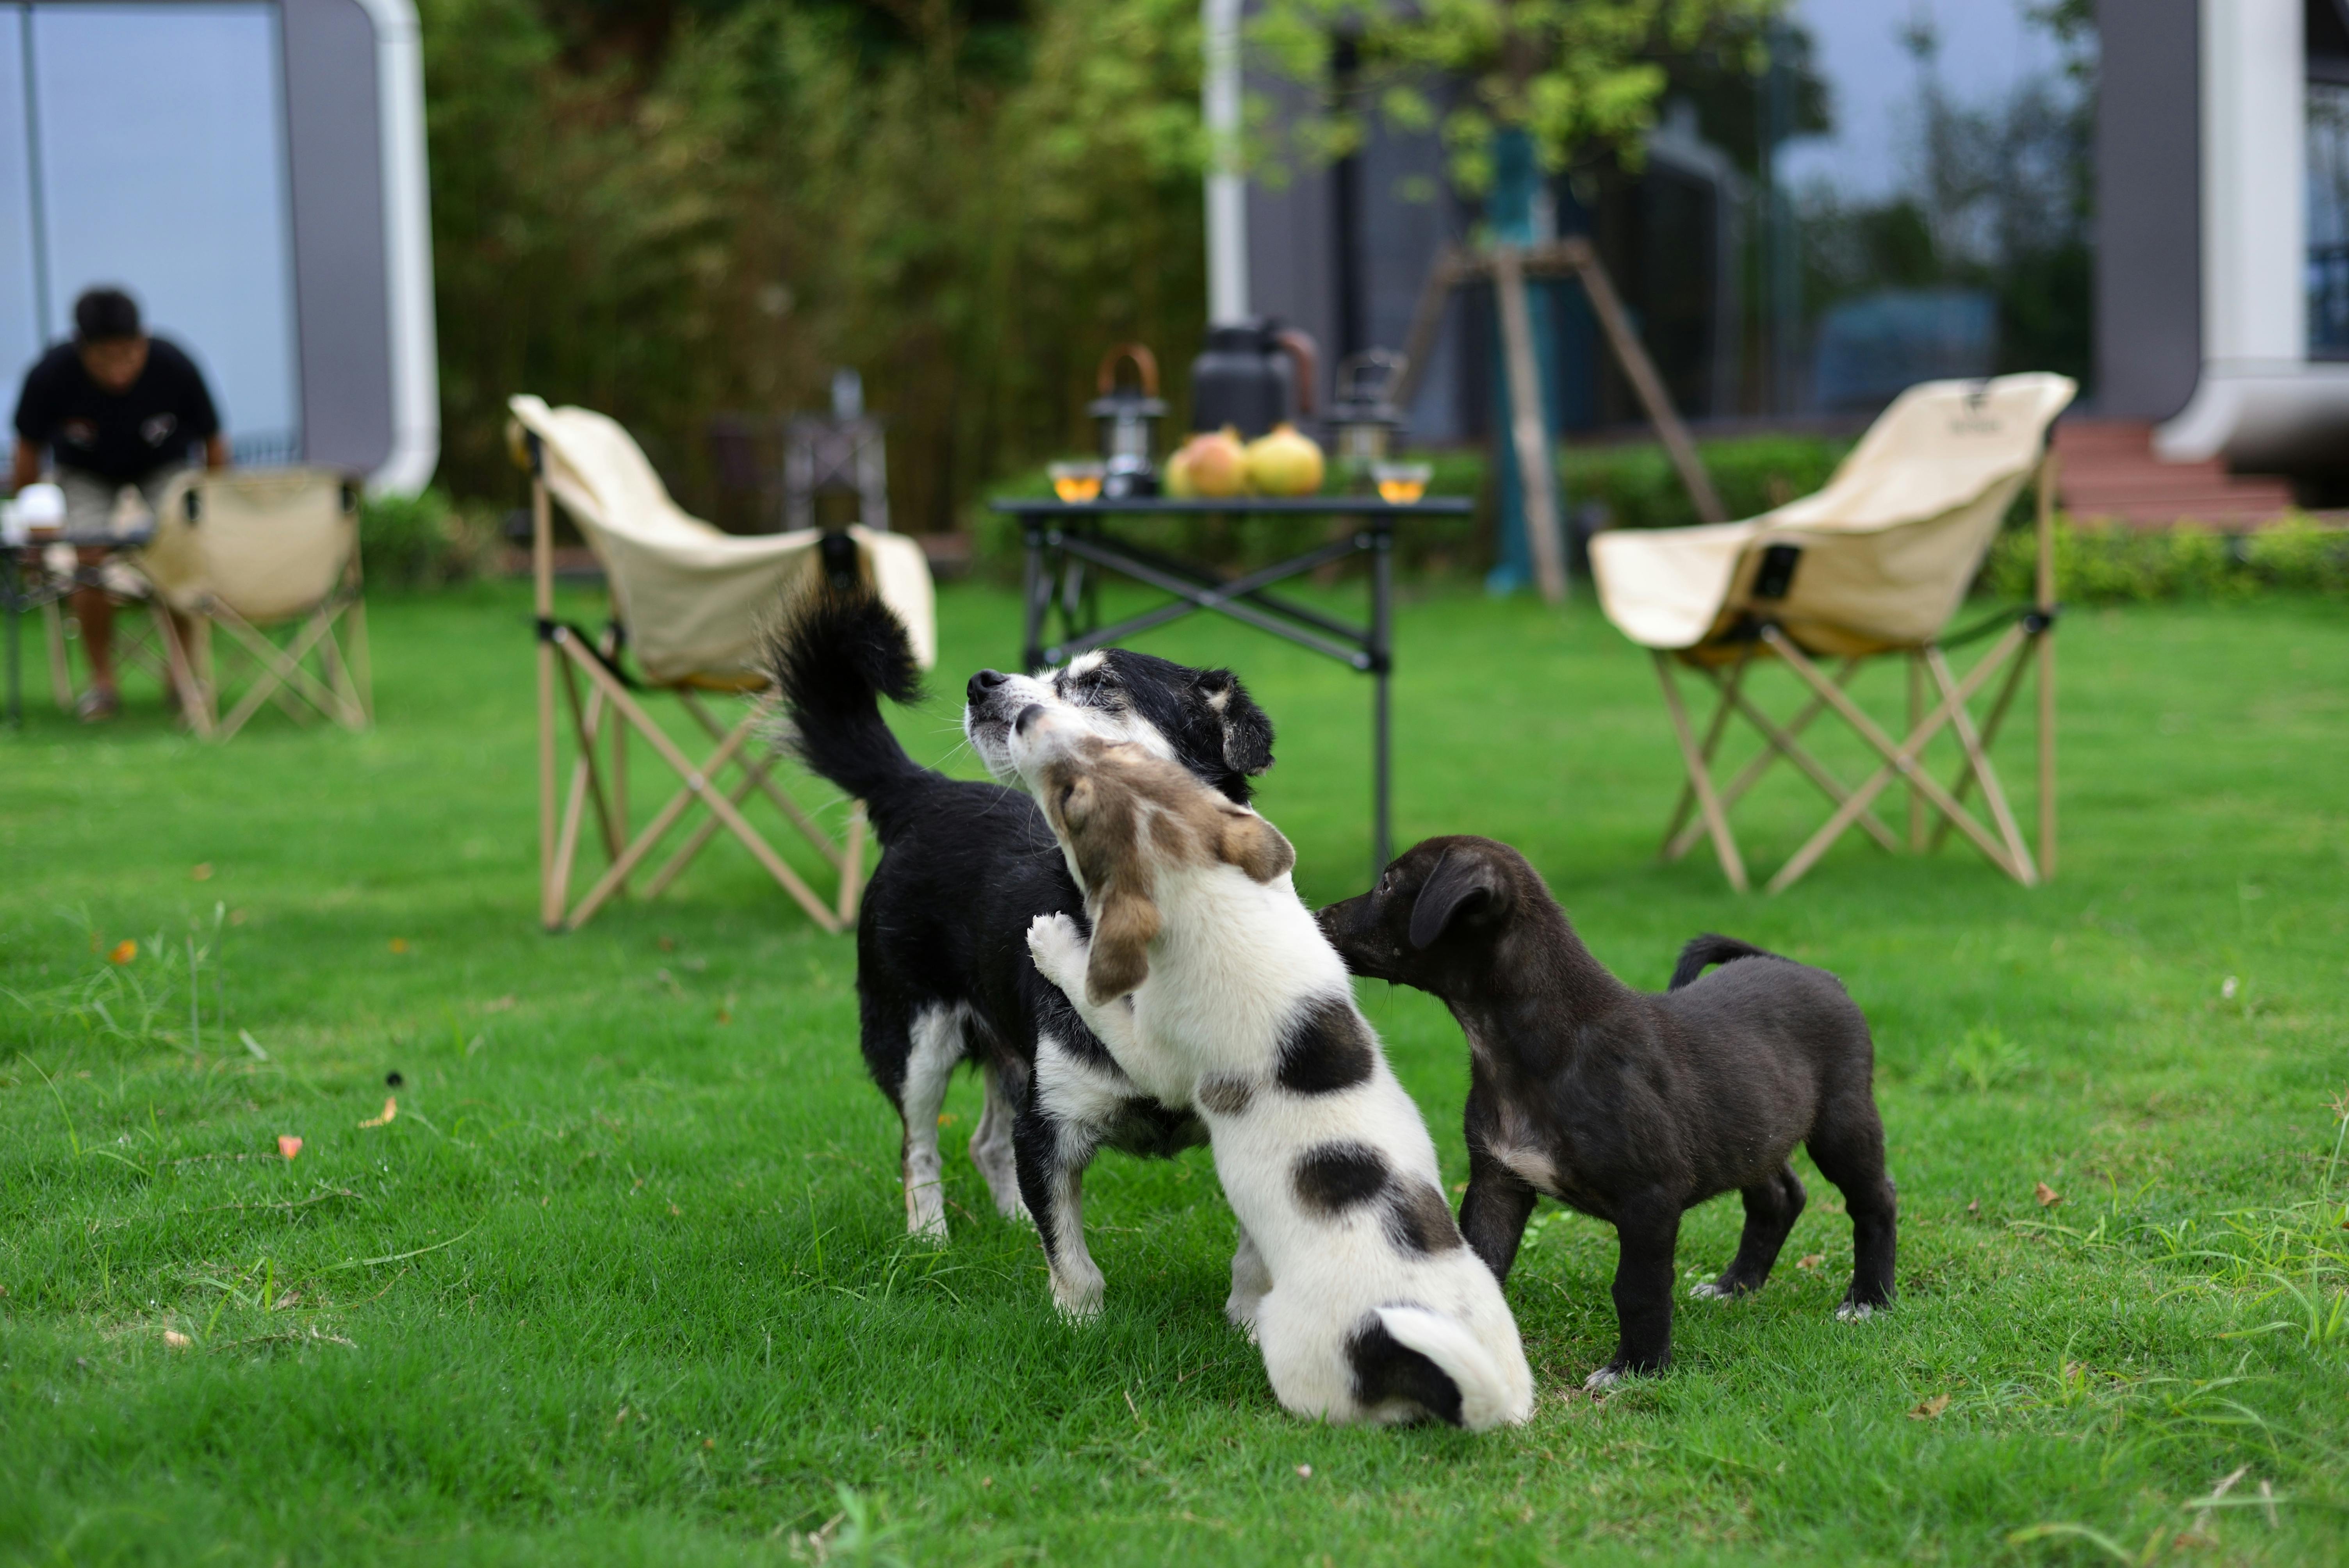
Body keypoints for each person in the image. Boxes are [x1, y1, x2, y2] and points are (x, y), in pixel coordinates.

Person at [10, 286, 228, 720]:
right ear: (82, 349)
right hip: (85, 472)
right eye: (105, 359)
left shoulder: (173, 365)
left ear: (142, 341)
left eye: (128, 356)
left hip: (162, 465)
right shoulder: (52, 374)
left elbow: (214, 441)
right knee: (86, 551)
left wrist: (217, 507)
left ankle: (182, 677)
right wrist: (29, 520)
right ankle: (103, 684)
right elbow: (28, 451)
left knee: (175, 548)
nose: (118, 372)